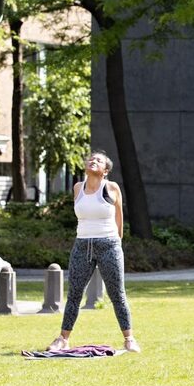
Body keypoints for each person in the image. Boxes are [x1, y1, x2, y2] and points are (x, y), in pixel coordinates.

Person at [46, 151, 140, 353]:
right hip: (82, 246)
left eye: (98, 160)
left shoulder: (112, 188)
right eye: (91, 159)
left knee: (117, 294)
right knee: (74, 294)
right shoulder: (78, 188)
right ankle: (63, 339)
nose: (93, 161)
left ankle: (129, 339)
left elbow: (119, 219)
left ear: (105, 171)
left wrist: (116, 245)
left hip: (109, 245)